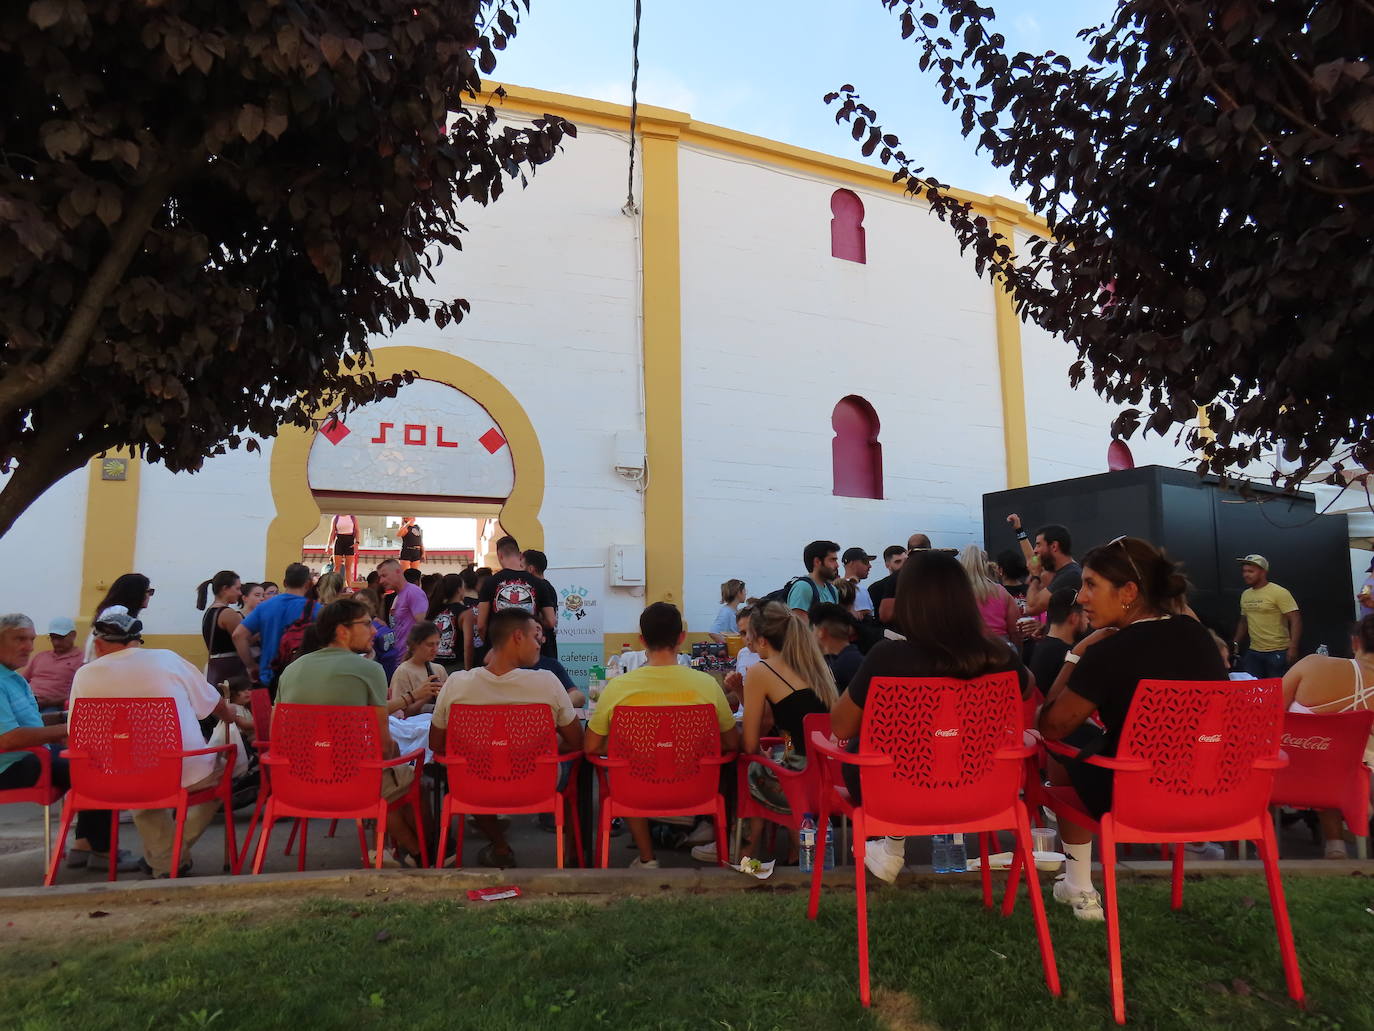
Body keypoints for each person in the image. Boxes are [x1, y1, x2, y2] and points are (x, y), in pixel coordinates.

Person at [1037, 536, 1225, 921]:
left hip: (1137, 797)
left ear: (1129, 591)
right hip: (1217, 792)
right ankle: (1076, 884)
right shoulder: (1197, 636)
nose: (1082, 598)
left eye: (1091, 585)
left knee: (1071, 739)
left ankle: (1077, 880)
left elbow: (1050, 725)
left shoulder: (1107, 652)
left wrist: (1078, 651)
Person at [830, 549, 1029, 885]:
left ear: (909, 600)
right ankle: (892, 845)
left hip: (893, 792)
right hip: (983, 790)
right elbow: (1027, 689)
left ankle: (892, 844)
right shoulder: (997, 655)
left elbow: (841, 726)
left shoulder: (888, 658)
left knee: (875, 747)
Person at [70, 611, 236, 877]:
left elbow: (77, 733)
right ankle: (170, 859)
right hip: (178, 771)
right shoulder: (168, 659)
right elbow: (213, 703)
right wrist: (229, 716)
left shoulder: (84, 675)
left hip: (111, 777)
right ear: (138, 641)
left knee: (140, 779)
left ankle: (166, 859)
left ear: (98, 645)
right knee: (224, 770)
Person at [585, 603, 739, 869]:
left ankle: (647, 859)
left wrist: (631, 746)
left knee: (627, 767)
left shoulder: (618, 687)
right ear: (681, 637)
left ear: (642, 640)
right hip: (696, 790)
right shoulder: (706, 685)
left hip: (636, 791)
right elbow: (732, 743)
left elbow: (590, 746)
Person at [430, 608, 584, 868]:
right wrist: (542, 746)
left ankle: (500, 846)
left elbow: (436, 744)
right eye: (535, 637)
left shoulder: (457, 683)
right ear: (517, 637)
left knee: (464, 770)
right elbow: (576, 741)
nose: (539, 644)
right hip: (538, 784)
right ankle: (572, 855)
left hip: (473, 786)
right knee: (576, 770)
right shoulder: (547, 682)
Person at [276, 598, 426, 864]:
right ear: (342, 631)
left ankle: (414, 853)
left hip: (295, 782)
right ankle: (426, 852)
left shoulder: (291, 670)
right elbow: (383, 744)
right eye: (367, 624)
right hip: (353, 783)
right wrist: (395, 759)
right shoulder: (368, 669)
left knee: (389, 778)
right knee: (409, 779)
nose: (373, 631)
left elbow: (278, 732)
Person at [696, 600, 834, 866]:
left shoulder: (763, 670)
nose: (744, 640)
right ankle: (793, 844)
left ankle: (748, 843)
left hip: (798, 776)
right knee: (770, 760)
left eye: (747, 635)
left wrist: (763, 754)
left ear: (760, 641)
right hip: (829, 774)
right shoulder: (815, 665)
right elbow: (796, 727)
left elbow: (749, 745)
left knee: (750, 766)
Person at [0, 614, 136, 872]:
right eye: (19, 639)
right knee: (96, 767)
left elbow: (29, 723)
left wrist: (67, 718)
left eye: (30, 639)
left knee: (93, 757)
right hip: (10, 765)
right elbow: (8, 739)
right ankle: (101, 850)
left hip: (30, 755)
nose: (28, 647)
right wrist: (70, 728)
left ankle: (86, 845)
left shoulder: (12, 677)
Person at [1282, 614, 1374, 858]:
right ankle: (1341, 838)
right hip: (1352, 782)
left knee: (1323, 755)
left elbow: (1269, 712)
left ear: (1355, 642)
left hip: (1290, 774)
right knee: (1343, 759)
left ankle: (1332, 844)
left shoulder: (1312, 665)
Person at [232, 562, 315, 689]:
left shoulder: (265, 606)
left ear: (284, 583)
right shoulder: (316, 609)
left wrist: (251, 665)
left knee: (269, 709)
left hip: (269, 675)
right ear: (308, 584)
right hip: (303, 676)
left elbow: (238, 635)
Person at [477, 536, 557, 651]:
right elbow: (551, 621)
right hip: (528, 650)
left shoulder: (490, 582)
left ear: (500, 555)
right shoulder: (538, 583)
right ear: (520, 555)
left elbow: (481, 625)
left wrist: (490, 643)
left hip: (500, 652)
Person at [1234, 554, 1302, 678]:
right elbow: (1243, 621)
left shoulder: (1279, 592)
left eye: (1251, 571)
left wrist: (1293, 647)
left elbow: (1295, 619)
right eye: (1244, 571)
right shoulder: (1246, 594)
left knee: (1278, 690)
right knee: (1253, 690)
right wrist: (1236, 643)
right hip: (1254, 651)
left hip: (1278, 651)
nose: (1246, 575)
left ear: (1263, 572)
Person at [1006, 515, 1082, 618]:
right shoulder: (1066, 572)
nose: (1035, 550)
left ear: (1054, 546)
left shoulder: (1070, 575)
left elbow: (1031, 608)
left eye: (1038, 545)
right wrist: (1019, 531)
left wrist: (1036, 577)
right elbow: (1032, 559)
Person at [959, 545, 1023, 648]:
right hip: (1001, 651)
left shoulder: (954, 593)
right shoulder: (1001, 592)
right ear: (985, 564)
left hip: (967, 652)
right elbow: (1015, 630)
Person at [1028, 589, 1087, 693]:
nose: (1088, 620)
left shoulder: (1039, 646)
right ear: (1074, 618)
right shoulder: (1069, 656)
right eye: (1085, 614)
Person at [86, 572, 153, 661]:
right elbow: (112, 647)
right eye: (149, 592)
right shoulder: (118, 611)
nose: (149, 596)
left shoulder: (116, 611)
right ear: (136, 593)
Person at [21, 616, 82, 713]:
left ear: (73, 635)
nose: (56, 642)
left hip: (55, 706)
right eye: (53, 638)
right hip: (27, 701)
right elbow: (20, 681)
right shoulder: (41, 656)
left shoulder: (81, 660)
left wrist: (53, 701)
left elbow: (80, 692)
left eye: (60, 638)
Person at [196, 570, 245, 686]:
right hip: (230, 668)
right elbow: (244, 640)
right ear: (225, 589)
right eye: (237, 589)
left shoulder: (209, 612)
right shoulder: (228, 613)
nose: (240, 593)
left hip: (215, 666)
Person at [388, 622, 445, 719]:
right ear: (415, 646)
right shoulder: (403, 671)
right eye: (430, 644)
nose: (435, 649)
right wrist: (425, 697)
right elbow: (400, 714)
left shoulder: (439, 669)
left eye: (437, 644)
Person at [378, 558, 428, 656]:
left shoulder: (413, 592)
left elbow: (423, 628)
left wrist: (409, 656)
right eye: (380, 577)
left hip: (409, 659)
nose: (381, 581)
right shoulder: (401, 595)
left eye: (384, 575)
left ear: (398, 572)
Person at [811, 603, 863, 692]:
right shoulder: (857, 659)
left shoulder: (840, 668)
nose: (811, 634)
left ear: (821, 632)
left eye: (813, 629)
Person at [521, 549, 560, 659]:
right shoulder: (549, 587)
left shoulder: (541, 588)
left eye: (522, 566)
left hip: (543, 650)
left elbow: (549, 621)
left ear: (530, 569)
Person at [787, 540, 841, 618]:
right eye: (832, 560)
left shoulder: (833, 590)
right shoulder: (803, 588)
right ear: (817, 562)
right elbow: (799, 628)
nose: (837, 565)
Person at [426, 572, 468, 673]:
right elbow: (468, 645)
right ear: (459, 590)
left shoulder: (433, 609)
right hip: (455, 666)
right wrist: (468, 670)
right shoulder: (465, 612)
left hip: (432, 666)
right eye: (463, 587)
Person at [867, 545, 907, 630]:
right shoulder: (876, 588)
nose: (903, 565)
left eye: (906, 561)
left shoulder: (917, 585)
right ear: (887, 565)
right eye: (897, 562)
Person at [842, 548, 876, 619]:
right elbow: (865, 617)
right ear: (852, 563)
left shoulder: (837, 587)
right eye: (865, 562)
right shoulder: (858, 589)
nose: (870, 566)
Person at [327, 513, 360, 585]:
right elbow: (332, 532)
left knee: (348, 567)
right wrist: (328, 545)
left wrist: (357, 542)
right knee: (337, 567)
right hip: (339, 540)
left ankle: (349, 587)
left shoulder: (352, 517)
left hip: (350, 540)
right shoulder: (336, 517)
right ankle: (335, 586)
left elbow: (357, 530)